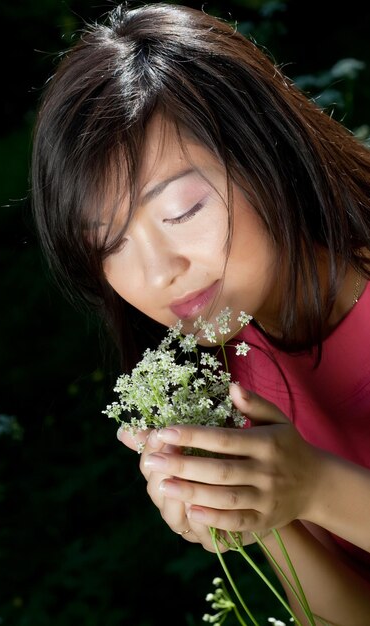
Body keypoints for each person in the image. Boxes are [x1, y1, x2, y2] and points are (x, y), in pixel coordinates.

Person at [30, 3, 370, 624]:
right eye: (108, 244)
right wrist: (250, 512)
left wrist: (316, 487)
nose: (158, 273)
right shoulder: (237, 370)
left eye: (183, 210)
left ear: (269, 153)